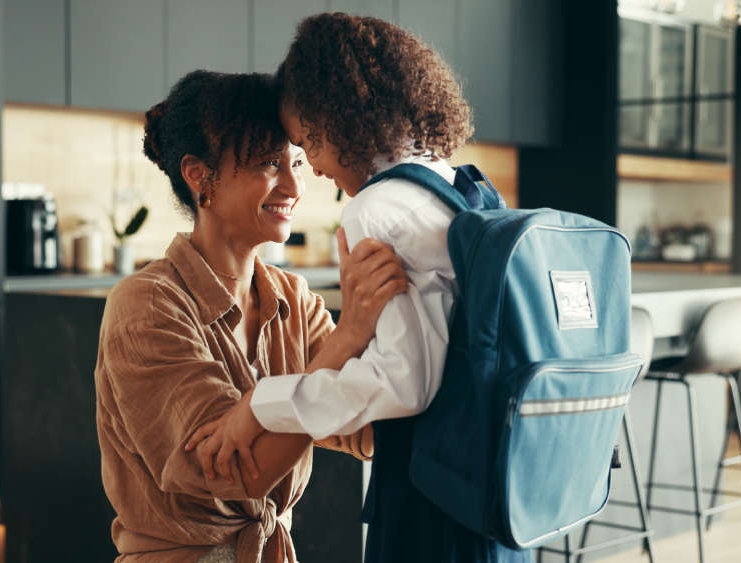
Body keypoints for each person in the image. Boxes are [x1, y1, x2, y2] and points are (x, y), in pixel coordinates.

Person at [185, 13, 534, 563]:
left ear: (334, 118)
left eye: (306, 145)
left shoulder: (375, 208)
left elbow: (404, 385)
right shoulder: (453, 184)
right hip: (493, 485)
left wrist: (259, 404)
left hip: (436, 496)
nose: (314, 172)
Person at [94, 69, 409, 563]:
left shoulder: (293, 298)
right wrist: (350, 333)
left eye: (298, 161)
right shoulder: (147, 305)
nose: (293, 185)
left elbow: (356, 423)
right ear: (200, 175)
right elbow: (236, 474)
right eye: (268, 162)